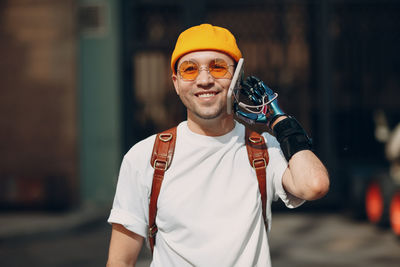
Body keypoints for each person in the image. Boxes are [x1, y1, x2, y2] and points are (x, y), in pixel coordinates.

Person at [106, 23, 329, 267]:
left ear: (236, 78)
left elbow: (314, 185)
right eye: (190, 69)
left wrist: (281, 122)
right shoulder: (145, 157)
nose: (204, 80)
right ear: (176, 82)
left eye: (218, 67)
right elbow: (120, 262)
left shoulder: (263, 150)